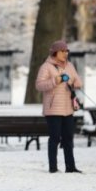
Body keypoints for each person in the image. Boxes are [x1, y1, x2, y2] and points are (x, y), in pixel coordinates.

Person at [35, 40, 83, 173]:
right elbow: (39, 85)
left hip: (68, 108)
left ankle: (70, 167)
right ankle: (53, 167)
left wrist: (76, 82)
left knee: (68, 138)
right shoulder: (46, 67)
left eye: (66, 51)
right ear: (55, 52)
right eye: (63, 51)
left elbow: (78, 81)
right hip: (53, 109)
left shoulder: (70, 66)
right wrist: (55, 81)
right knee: (55, 138)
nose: (65, 53)